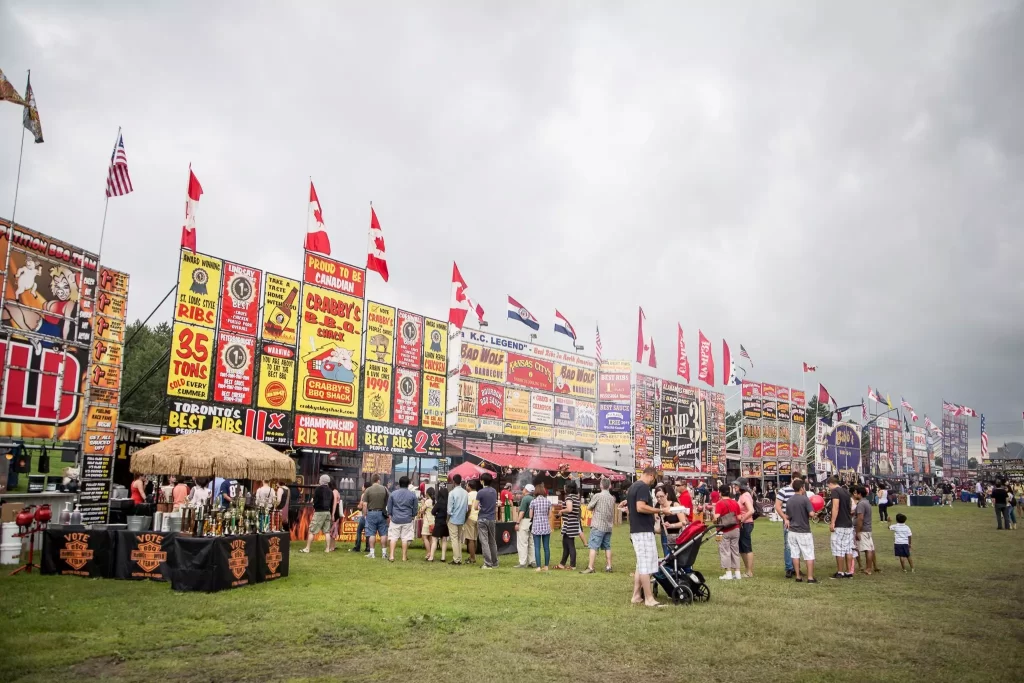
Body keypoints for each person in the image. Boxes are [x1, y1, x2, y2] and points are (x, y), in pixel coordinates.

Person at [627, 466, 664, 606]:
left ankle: (636, 595)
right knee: (645, 565)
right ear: (651, 476)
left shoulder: (633, 487)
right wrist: (658, 511)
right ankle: (649, 598)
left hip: (637, 529)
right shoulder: (643, 487)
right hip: (642, 531)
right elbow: (640, 507)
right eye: (654, 480)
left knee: (640, 564)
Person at [780, 478, 817, 583]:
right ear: (802, 488)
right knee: (808, 554)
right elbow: (811, 514)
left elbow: (788, 516)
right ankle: (810, 577)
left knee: (795, 554)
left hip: (792, 531)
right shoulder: (805, 499)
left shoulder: (790, 500)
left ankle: (797, 576)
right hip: (804, 531)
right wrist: (815, 513)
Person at [582, 477, 615, 574]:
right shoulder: (612, 498)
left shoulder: (597, 496)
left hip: (598, 524)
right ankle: (609, 566)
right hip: (608, 525)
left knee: (593, 546)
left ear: (601, 485)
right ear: (609, 486)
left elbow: (589, 507)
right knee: (607, 546)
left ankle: (590, 567)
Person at [386, 476, 419, 562]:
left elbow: (389, 506)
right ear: (408, 484)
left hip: (395, 518)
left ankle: (391, 556)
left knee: (393, 537)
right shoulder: (412, 495)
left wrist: (390, 514)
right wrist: (413, 515)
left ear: (399, 484)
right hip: (407, 519)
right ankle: (404, 557)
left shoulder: (393, 494)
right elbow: (415, 507)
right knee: (405, 538)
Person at [713, 484, 742, 581]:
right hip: (735, 529)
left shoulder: (719, 503)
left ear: (720, 493)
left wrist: (715, 522)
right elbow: (739, 517)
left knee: (724, 551)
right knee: (735, 551)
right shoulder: (735, 503)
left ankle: (728, 573)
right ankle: (737, 573)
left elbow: (716, 517)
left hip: (723, 530)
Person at [828, 476, 855, 579]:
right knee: (848, 549)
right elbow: (850, 507)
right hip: (848, 523)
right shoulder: (846, 491)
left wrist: (832, 522)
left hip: (840, 523)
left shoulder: (835, 492)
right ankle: (849, 572)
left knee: (838, 548)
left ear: (831, 483)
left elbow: (835, 507)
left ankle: (840, 571)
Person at [301, 474, 333, 554]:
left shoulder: (318, 489)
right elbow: (331, 503)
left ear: (321, 481)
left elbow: (315, 500)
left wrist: (313, 503)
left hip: (319, 512)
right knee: (327, 531)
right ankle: (327, 549)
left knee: (312, 530)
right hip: (327, 512)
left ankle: (307, 548)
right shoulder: (330, 491)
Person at [775, 475, 797, 578]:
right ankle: (789, 568)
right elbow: (777, 506)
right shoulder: (784, 491)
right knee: (788, 545)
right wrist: (784, 518)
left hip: (799, 522)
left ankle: (796, 568)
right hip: (788, 521)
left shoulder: (801, 491)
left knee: (797, 545)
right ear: (792, 479)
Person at [363, 474, 390, 559]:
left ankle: (372, 553)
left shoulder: (368, 490)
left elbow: (364, 504)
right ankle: (384, 553)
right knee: (383, 534)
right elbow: (389, 501)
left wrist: (365, 514)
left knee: (371, 533)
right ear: (378, 480)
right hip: (382, 513)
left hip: (371, 513)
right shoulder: (385, 489)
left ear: (372, 480)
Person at [475, 474, 499, 569]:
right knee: (492, 541)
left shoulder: (480, 492)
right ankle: (495, 562)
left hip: (482, 518)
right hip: (492, 518)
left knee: (484, 541)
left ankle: (488, 563)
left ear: (482, 481)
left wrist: (480, 506)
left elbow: (475, 506)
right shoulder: (494, 491)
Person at [556, 482, 581, 570]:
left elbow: (569, 509)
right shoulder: (576, 498)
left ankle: (572, 565)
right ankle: (562, 564)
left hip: (569, 524)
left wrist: (562, 511)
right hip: (573, 522)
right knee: (566, 544)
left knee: (570, 545)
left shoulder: (569, 497)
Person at [853, 485, 877, 575]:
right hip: (867, 529)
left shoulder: (861, 504)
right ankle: (869, 567)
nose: (854, 494)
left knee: (867, 549)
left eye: (855, 493)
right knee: (869, 548)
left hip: (863, 529)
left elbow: (860, 518)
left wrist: (858, 531)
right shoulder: (866, 502)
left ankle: (868, 568)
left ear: (859, 494)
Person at [735, 478, 756, 578]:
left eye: (737, 485)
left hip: (746, 523)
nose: (735, 487)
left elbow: (751, 510)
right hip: (744, 523)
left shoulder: (745, 496)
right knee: (742, 548)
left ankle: (749, 571)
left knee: (747, 547)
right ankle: (747, 570)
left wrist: (742, 520)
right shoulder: (742, 495)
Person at [529, 482, 553, 571]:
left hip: (536, 526)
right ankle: (546, 566)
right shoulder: (548, 502)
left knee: (537, 547)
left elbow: (531, 515)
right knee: (546, 547)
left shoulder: (533, 502)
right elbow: (550, 515)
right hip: (546, 526)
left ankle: (538, 567)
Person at [446, 474, 469, 565]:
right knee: (459, 539)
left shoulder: (451, 493)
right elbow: (466, 507)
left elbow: (449, 509)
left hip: (453, 518)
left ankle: (456, 559)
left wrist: (447, 519)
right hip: (462, 518)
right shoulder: (465, 493)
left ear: (453, 482)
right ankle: (459, 558)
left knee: (454, 539)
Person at [514, 484, 536, 568]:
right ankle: (532, 561)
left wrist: (517, 523)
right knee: (531, 542)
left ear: (526, 490)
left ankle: (522, 562)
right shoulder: (534, 498)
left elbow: (522, 512)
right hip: (533, 521)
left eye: (524, 488)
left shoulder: (525, 499)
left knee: (522, 542)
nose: (522, 490)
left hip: (525, 521)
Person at [429, 485, 449, 562]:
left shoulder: (438, 503)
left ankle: (431, 557)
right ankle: (443, 557)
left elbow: (433, 512)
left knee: (434, 539)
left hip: (438, 523)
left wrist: (437, 515)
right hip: (444, 523)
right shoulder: (448, 503)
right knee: (444, 540)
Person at [349, 483, 370, 553]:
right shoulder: (371, 494)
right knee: (368, 532)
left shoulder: (364, 495)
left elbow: (361, 506)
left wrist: (358, 506)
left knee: (359, 530)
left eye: (363, 486)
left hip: (364, 515)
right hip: (371, 514)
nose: (361, 487)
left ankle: (357, 547)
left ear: (365, 487)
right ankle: (368, 547)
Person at [464, 480, 480, 564]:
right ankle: (472, 556)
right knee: (474, 538)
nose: (466, 487)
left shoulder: (468, 495)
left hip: (470, 517)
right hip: (478, 517)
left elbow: (469, 507)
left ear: (469, 487)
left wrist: (465, 517)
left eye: (467, 485)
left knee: (470, 539)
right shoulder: (478, 493)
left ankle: (472, 558)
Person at [419, 486, 436, 561]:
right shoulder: (434, 501)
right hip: (433, 521)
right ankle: (431, 554)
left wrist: (423, 503)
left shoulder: (428, 501)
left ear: (427, 493)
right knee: (431, 538)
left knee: (424, 537)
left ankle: (429, 553)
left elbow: (422, 510)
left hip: (427, 522)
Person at [325, 480, 341, 553]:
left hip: (334, 511)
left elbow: (334, 503)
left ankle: (332, 547)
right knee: (333, 529)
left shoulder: (334, 492)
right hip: (335, 511)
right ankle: (332, 546)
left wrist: (333, 514)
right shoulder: (336, 491)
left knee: (333, 529)